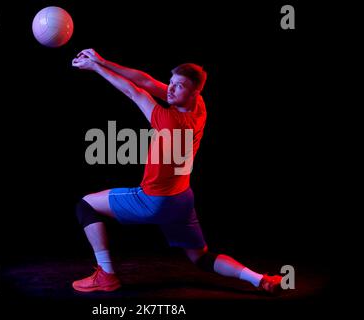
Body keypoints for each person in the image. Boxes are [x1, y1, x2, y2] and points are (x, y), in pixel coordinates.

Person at [71, 49, 282, 294]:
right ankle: (260, 280)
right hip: (181, 200)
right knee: (201, 258)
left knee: (85, 205)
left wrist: (97, 68)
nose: (170, 89)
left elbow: (134, 90)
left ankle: (107, 274)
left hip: (153, 201)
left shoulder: (168, 120)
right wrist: (103, 61)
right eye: (170, 83)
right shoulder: (199, 107)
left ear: (193, 92)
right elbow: (148, 81)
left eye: (178, 86)